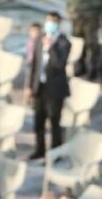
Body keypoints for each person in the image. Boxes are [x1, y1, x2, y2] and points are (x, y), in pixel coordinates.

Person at [27, 12, 71, 159]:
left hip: (55, 89)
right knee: (38, 120)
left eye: (52, 22)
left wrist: (50, 47)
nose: (49, 24)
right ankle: (39, 150)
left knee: (54, 121)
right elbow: (34, 64)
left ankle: (55, 153)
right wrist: (29, 86)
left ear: (58, 23)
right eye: (47, 21)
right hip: (40, 86)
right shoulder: (40, 38)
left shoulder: (64, 42)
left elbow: (59, 64)